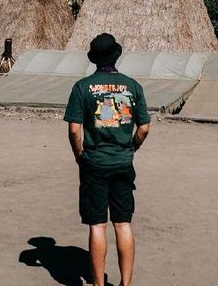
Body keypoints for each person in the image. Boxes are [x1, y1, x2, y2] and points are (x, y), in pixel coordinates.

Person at [64, 33, 150, 286]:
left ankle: (98, 284)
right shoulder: (133, 86)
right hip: (123, 161)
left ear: (94, 59)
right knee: (123, 224)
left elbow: (73, 130)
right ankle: (126, 283)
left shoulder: (82, 87)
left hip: (94, 163)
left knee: (97, 225)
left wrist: (79, 154)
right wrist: (131, 147)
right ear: (116, 55)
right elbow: (144, 128)